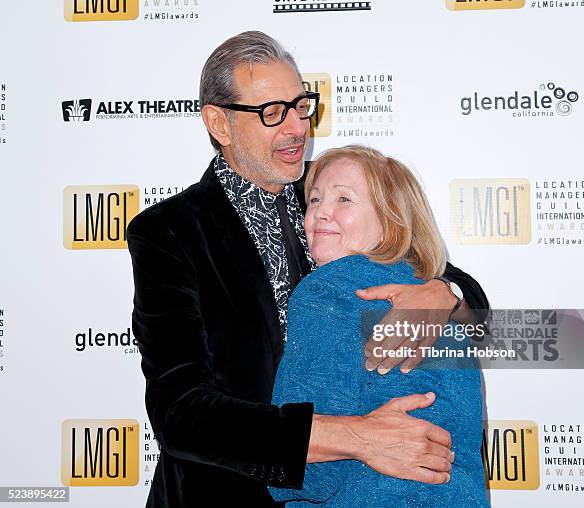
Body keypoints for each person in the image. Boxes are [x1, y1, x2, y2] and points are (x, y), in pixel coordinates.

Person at [126, 31, 489, 507]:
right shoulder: (168, 232)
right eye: (272, 113)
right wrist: (358, 437)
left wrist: (442, 294)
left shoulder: (330, 193)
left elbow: (467, 298)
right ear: (219, 122)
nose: (297, 127)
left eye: (301, 105)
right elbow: (182, 415)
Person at [269, 146, 489, 506]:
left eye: (344, 199)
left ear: (392, 221)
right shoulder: (436, 307)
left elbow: (305, 475)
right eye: (315, 199)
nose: (322, 211)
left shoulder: (326, 292)